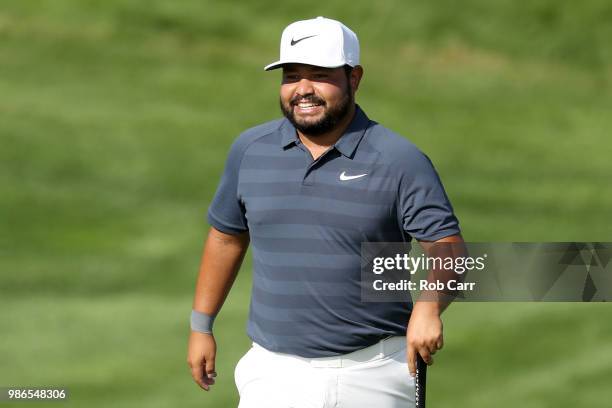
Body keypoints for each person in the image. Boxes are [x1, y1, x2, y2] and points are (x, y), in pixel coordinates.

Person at [187, 16, 465, 408]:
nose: (303, 89)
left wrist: (429, 306)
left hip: (372, 373)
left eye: (319, 75)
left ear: (354, 78)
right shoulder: (250, 150)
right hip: (272, 373)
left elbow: (449, 248)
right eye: (291, 75)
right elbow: (226, 236)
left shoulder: (399, 160)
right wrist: (202, 325)